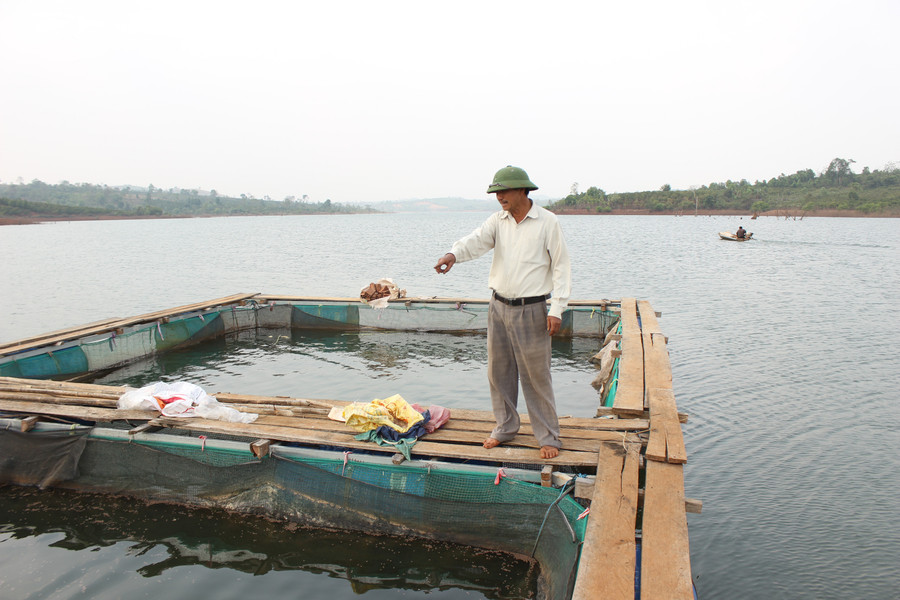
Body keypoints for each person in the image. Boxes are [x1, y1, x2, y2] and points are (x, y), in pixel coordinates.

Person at [433, 165, 571, 460]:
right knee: (499, 372)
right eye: (496, 192)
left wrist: (557, 308)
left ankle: (548, 436)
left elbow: (561, 267)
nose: (499, 197)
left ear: (523, 190)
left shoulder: (548, 222)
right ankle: (506, 427)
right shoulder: (498, 221)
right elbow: (476, 241)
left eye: (504, 191)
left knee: (536, 376)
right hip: (498, 306)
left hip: (531, 308)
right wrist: (453, 255)